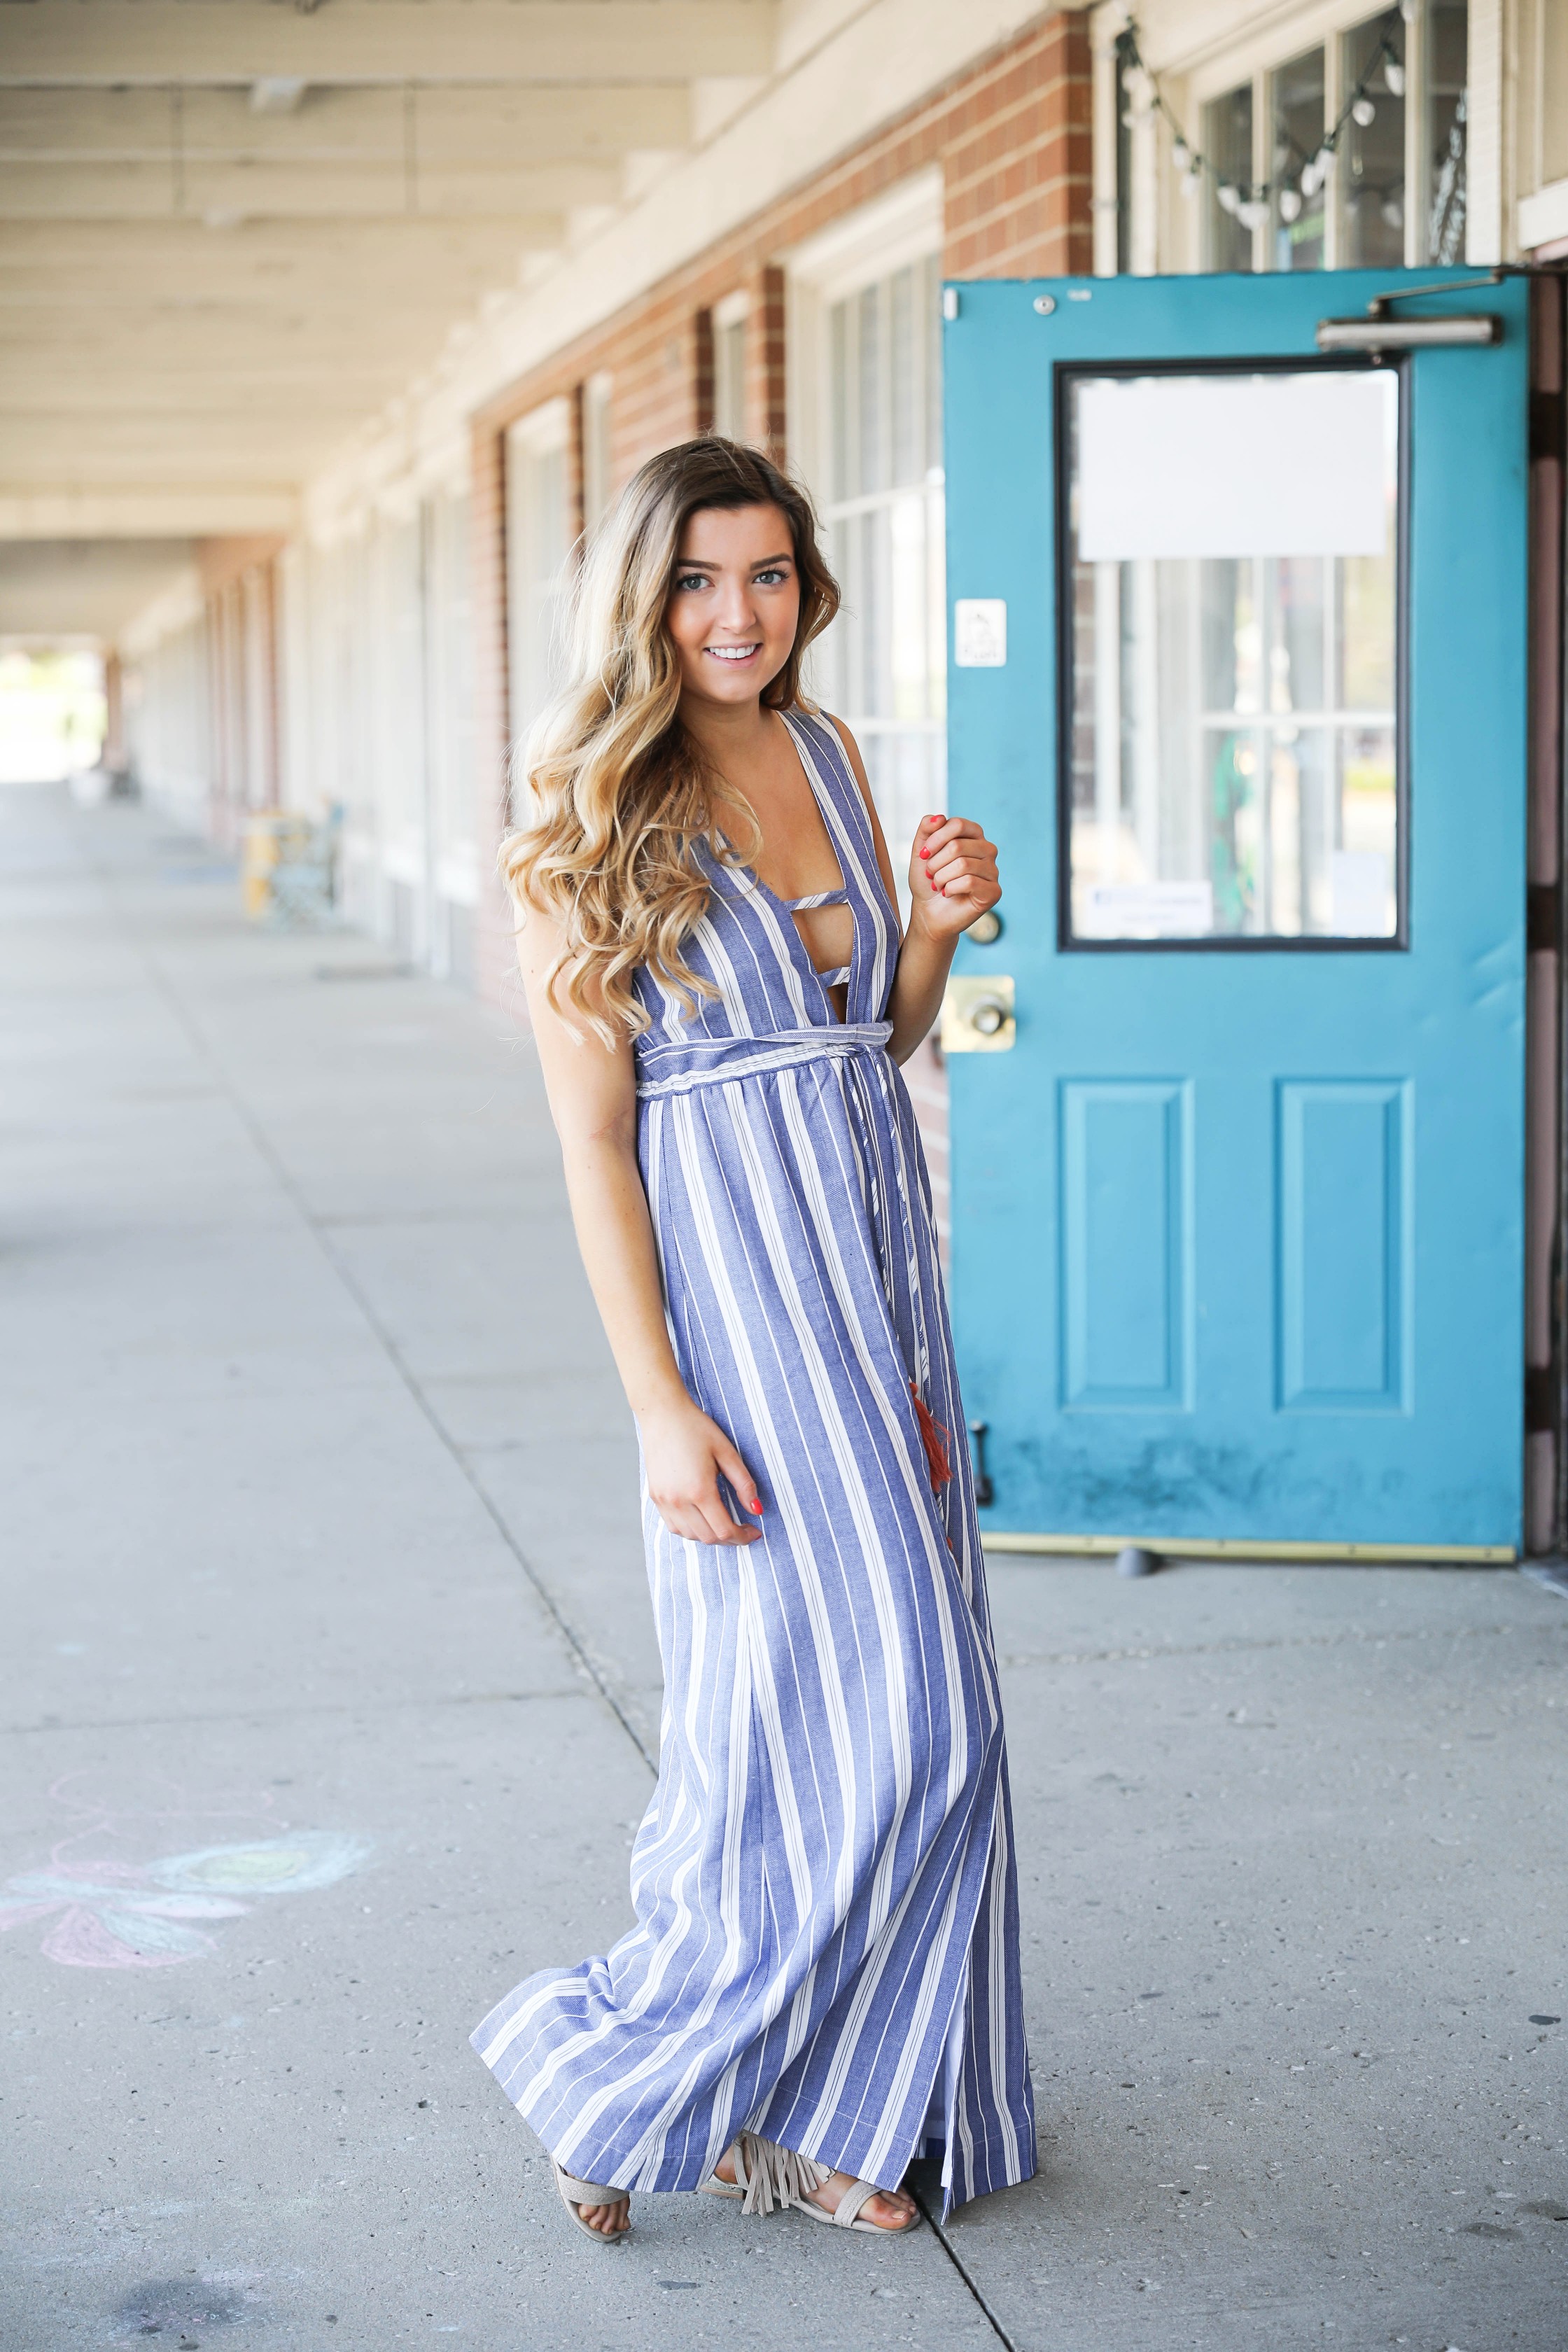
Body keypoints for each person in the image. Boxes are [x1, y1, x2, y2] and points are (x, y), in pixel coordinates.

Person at [470, 437, 1035, 2242]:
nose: (739, 614)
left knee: (824, 1716)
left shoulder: (837, 756)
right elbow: (589, 1141)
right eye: (701, 580)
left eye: (771, 575)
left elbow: (880, 1038)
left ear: (809, 586)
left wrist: (935, 928)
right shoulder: (585, 816)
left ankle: (829, 2117)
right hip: (733, 1299)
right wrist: (655, 1402)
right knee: (883, 1715)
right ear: (646, 599)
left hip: (875, 1264)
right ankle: (625, 2079)